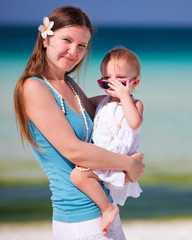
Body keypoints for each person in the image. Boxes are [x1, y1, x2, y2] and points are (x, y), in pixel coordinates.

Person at [13, 5, 145, 240]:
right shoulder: (33, 87)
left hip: (106, 211)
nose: (73, 51)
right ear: (45, 39)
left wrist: (129, 97)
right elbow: (74, 150)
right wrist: (128, 164)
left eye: (82, 45)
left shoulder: (70, 86)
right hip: (79, 218)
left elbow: (107, 108)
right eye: (67, 40)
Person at [71, 47, 144, 235]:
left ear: (134, 82)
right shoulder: (101, 102)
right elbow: (80, 102)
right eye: (106, 79)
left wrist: (124, 95)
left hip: (117, 162)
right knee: (79, 175)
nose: (113, 84)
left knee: (78, 176)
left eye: (120, 80)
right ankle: (106, 207)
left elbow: (134, 123)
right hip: (102, 159)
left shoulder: (135, 104)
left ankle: (108, 208)